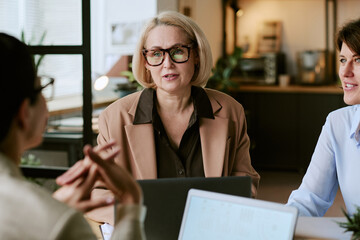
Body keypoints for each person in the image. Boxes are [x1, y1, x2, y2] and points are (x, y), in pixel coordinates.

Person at [88, 11, 260, 224]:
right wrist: (144, 217)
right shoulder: (114, 118)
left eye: (178, 51)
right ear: (146, 62)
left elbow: (245, 181)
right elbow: (96, 194)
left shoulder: (230, 111)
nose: (167, 64)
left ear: (196, 56)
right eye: (156, 54)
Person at [0, 33, 146, 239]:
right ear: (24, 112)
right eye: (41, 87)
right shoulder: (58, 223)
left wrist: (54, 207)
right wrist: (131, 204)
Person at [287, 18, 360, 217]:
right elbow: (308, 199)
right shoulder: (337, 123)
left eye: (358, 60)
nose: (345, 72)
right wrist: (277, 228)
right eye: (343, 60)